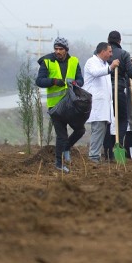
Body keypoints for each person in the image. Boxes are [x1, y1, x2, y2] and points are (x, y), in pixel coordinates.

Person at [35, 37, 85, 172]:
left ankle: (67, 147)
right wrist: (53, 81)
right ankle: (58, 163)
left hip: (70, 104)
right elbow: (39, 81)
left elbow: (81, 80)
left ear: (66, 50)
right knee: (61, 135)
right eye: (56, 49)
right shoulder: (47, 62)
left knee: (80, 130)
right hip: (56, 106)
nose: (58, 51)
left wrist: (76, 83)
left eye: (61, 49)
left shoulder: (74, 61)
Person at [104, 31, 132, 161]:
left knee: (106, 121)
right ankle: (119, 146)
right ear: (120, 41)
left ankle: (107, 152)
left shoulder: (101, 53)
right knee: (122, 119)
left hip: (104, 91)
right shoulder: (123, 54)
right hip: (118, 90)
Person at [84, 42, 117, 163]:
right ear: (102, 51)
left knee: (101, 130)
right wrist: (110, 68)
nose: (111, 54)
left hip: (104, 105)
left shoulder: (104, 64)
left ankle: (95, 155)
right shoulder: (91, 62)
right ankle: (93, 157)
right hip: (97, 105)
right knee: (98, 130)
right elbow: (95, 73)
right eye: (109, 51)